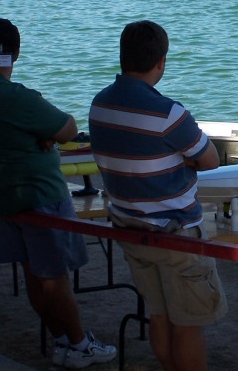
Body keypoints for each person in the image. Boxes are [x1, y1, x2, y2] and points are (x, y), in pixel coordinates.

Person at [0, 18, 116, 369]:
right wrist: (44, 136)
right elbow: (69, 129)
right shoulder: (17, 98)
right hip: (39, 196)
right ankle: (80, 345)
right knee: (53, 276)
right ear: (16, 54)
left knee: (33, 273)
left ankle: (62, 340)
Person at [88, 20, 227, 371]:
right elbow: (210, 160)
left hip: (129, 227)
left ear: (123, 57)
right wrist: (182, 160)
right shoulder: (168, 113)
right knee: (188, 323)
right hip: (176, 233)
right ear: (161, 61)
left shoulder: (99, 105)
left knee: (160, 314)